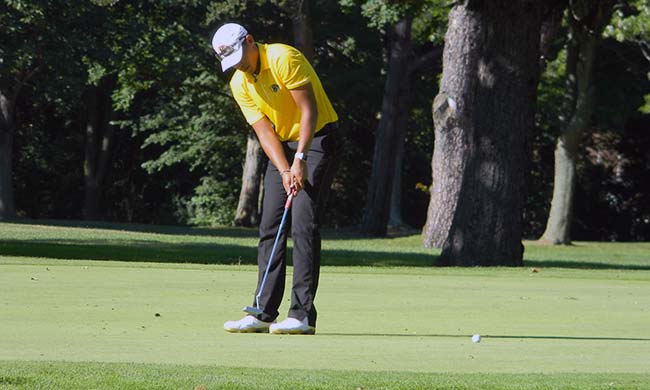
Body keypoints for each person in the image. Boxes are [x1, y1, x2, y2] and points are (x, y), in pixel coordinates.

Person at [213, 23, 340, 335]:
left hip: (319, 140)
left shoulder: (284, 57)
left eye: (242, 57)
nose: (240, 65)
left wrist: (300, 160)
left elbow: (308, 111)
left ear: (251, 41)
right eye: (233, 63)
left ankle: (302, 315)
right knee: (270, 225)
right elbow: (263, 131)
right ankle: (264, 311)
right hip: (284, 147)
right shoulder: (240, 83)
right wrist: (285, 168)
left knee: (302, 223)